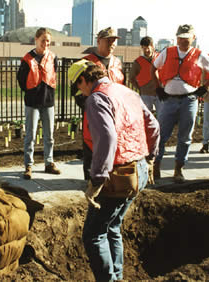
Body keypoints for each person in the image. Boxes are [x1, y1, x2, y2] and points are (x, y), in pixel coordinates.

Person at [68, 59, 160, 282]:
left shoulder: (97, 98)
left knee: (93, 234)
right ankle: (116, 276)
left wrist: (97, 180)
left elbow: (107, 139)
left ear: (83, 79)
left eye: (78, 86)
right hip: (139, 169)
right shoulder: (126, 92)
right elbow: (154, 126)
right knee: (112, 226)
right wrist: (150, 158)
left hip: (120, 176)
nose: (80, 92)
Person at [150, 24, 209, 183]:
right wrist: (158, 87)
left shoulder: (199, 55)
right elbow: (153, 67)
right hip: (168, 99)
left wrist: (206, 87)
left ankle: (178, 169)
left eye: (186, 38)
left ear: (193, 38)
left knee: (185, 137)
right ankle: (156, 167)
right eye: (181, 38)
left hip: (189, 100)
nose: (183, 41)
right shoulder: (168, 52)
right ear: (177, 38)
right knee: (160, 135)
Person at [73, 27, 125, 180]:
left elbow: (122, 86)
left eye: (114, 41)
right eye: (108, 40)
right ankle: (90, 180)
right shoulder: (86, 62)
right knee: (91, 145)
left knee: (111, 145)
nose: (112, 44)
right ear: (98, 41)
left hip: (115, 114)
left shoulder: (117, 62)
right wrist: (89, 107)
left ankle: (109, 179)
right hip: (93, 112)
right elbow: (76, 90)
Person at [17, 27, 61, 180]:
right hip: (32, 102)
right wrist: (32, 91)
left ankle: (49, 163)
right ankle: (28, 165)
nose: (45, 43)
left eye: (48, 41)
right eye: (43, 40)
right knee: (30, 135)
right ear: (36, 40)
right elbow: (21, 81)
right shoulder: (27, 59)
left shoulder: (53, 57)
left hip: (48, 102)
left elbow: (53, 74)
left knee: (49, 135)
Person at [129, 36, 161, 114]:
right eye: (144, 48)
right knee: (146, 117)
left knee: (162, 117)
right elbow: (131, 78)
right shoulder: (137, 62)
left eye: (148, 48)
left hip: (160, 93)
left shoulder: (160, 57)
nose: (146, 50)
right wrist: (140, 89)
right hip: (146, 94)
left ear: (152, 46)